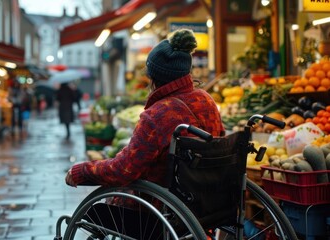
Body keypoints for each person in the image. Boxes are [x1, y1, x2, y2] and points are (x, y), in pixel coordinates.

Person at [65, 28, 225, 188]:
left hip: (159, 203)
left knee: (97, 212)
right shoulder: (206, 100)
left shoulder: (158, 114)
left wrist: (82, 170)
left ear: (154, 78)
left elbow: (123, 170)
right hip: (209, 196)